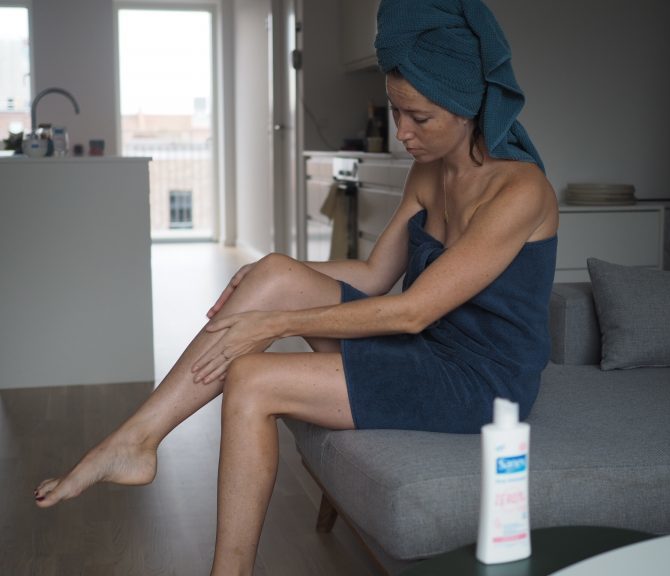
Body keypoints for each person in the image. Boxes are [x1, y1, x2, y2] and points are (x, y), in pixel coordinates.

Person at [34, 0, 558, 573]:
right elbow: (375, 275)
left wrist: (276, 322)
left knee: (252, 377)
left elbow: (411, 311)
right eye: (395, 110)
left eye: (420, 118)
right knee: (277, 271)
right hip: (426, 352)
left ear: (467, 105)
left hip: (479, 383)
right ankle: (137, 439)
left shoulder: (520, 191)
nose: (402, 132)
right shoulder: (428, 169)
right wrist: (275, 273)